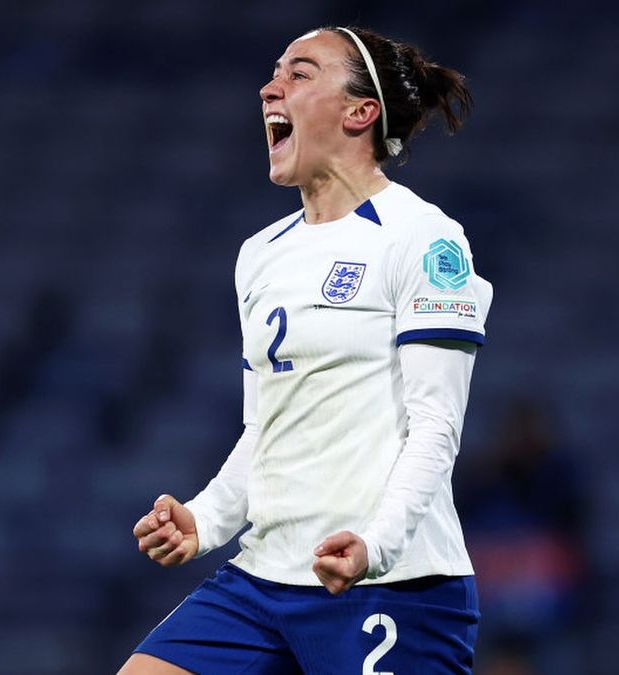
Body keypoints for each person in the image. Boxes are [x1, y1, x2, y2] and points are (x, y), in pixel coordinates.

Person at [119, 26, 492, 674]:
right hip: (263, 582)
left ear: (360, 112)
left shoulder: (426, 240)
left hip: (389, 584)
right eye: (274, 72)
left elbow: (436, 428)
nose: (271, 87)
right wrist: (204, 520)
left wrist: (374, 544)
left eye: (300, 73)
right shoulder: (261, 254)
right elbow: (267, 426)